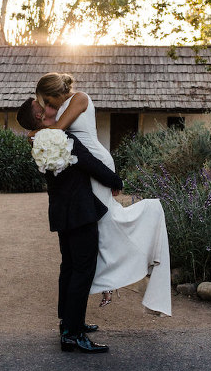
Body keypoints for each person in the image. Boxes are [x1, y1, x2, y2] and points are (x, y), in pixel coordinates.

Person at [34, 72, 172, 316]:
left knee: (103, 222)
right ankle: (104, 282)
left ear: (55, 94)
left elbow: (57, 130)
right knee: (100, 225)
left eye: (46, 101)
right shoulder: (66, 104)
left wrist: (36, 135)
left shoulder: (79, 98)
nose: (48, 107)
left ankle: (113, 272)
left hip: (95, 164)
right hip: (88, 168)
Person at [17, 97, 123, 353]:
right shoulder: (60, 139)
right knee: (82, 270)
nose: (50, 108)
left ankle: (68, 323)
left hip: (62, 213)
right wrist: (116, 181)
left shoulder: (38, 141)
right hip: (80, 212)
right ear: (41, 117)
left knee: (70, 268)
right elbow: (89, 163)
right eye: (43, 108)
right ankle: (73, 335)